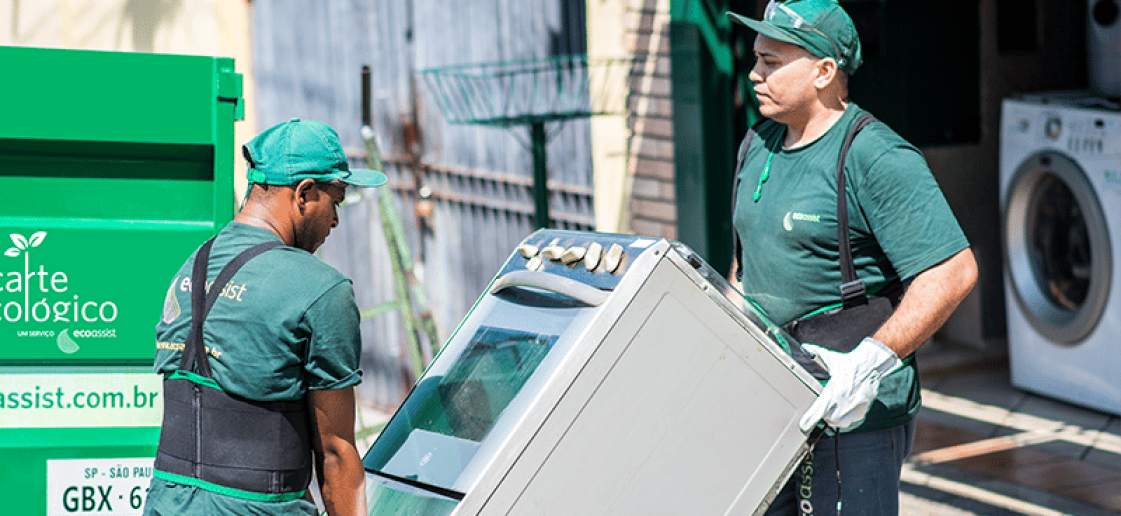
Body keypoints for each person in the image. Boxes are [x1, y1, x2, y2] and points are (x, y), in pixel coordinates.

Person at [726, 1, 978, 514]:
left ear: (823, 71)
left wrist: (867, 364)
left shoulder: (875, 156)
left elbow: (953, 271)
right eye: (756, 58)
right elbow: (745, 259)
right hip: (773, 399)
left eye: (772, 62)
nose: (755, 74)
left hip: (853, 418)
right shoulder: (758, 143)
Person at [144, 119, 387, 516]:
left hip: (167, 504)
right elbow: (337, 455)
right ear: (305, 194)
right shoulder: (320, 289)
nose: (336, 221)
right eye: (336, 201)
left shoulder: (191, 266)